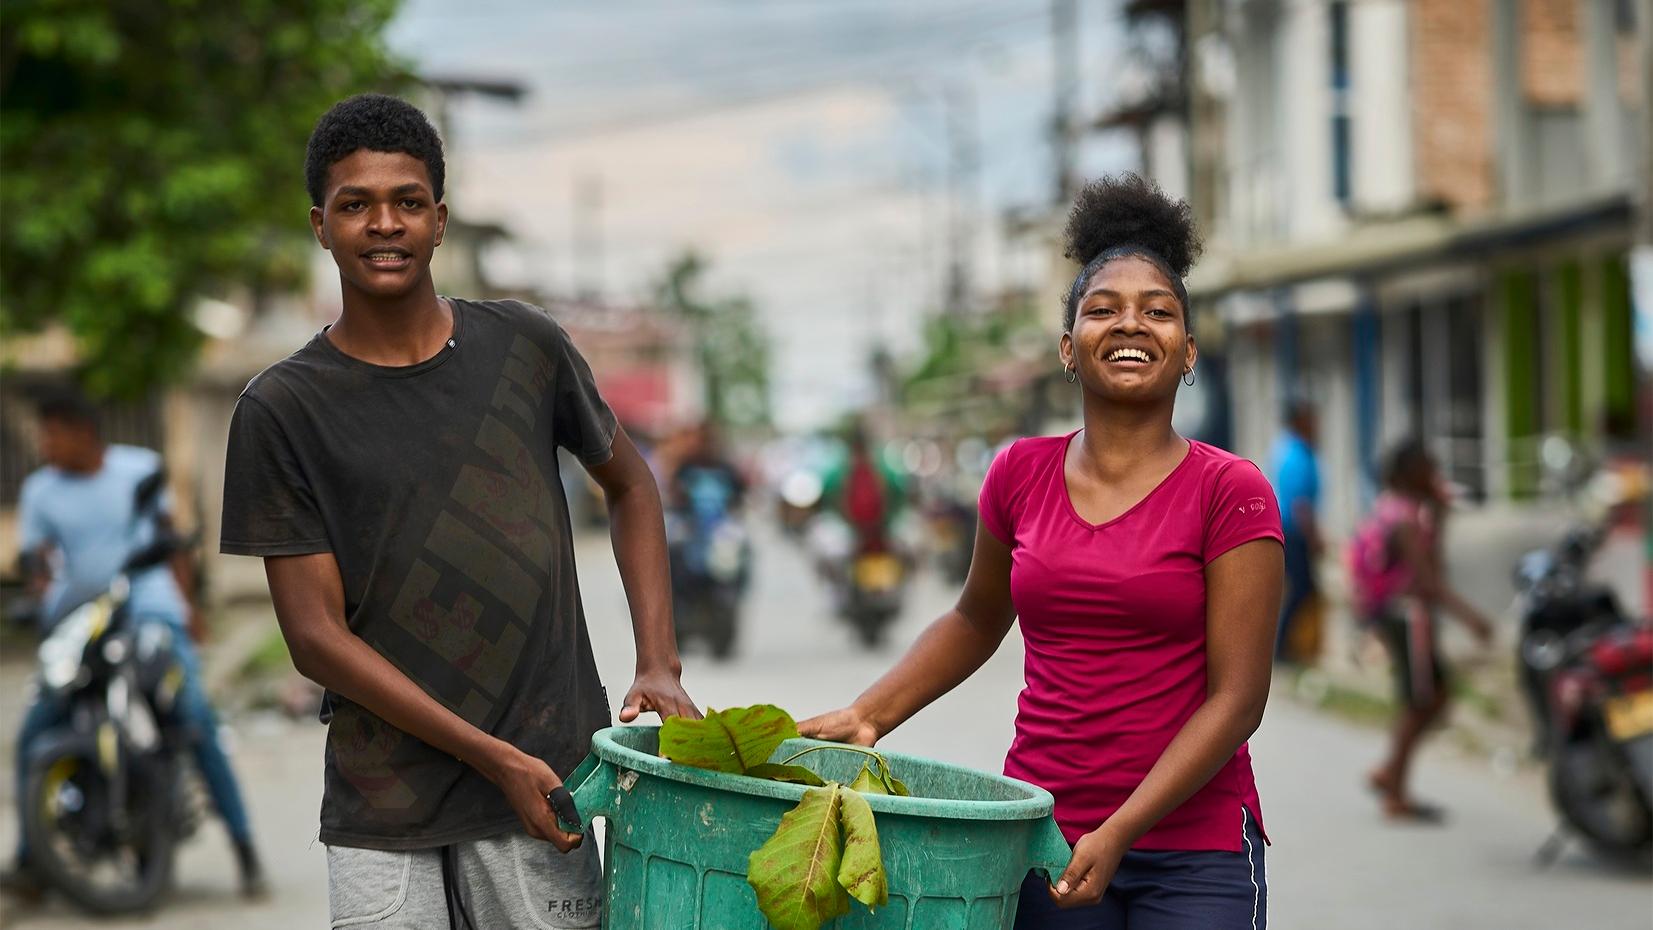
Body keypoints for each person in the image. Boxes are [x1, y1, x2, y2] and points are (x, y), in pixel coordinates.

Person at [219, 94, 698, 928]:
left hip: (544, 778)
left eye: (406, 202)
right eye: (355, 204)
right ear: (319, 226)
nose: (383, 224)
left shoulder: (526, 346)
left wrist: (658, 661)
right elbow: (314, 638)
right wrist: (487, 755)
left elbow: (630, 483)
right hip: (384, 804)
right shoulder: (282, 408)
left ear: (439, 221)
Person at [802, 174, 1284, 929]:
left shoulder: (1231, 490)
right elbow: (974, 617)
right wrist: (871, 713)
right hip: (1043, 836)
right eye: (1102, 310)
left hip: (1198, 851)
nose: (1130, 325)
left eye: (1157, 312)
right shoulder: (1017, 473)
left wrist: (1122, 829)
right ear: (1068, 347)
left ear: (1187, 351)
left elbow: (1238, 699)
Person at [4, 391, 265, 899]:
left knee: (192, 714)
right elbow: (36, 560)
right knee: (36, 729)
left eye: (52, 433)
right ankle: (30, 857)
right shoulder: (40, 491)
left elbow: (172, 543)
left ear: (83, 432)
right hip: (83, 622)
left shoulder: (138, 469)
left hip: (149, 612)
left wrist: (187, 609)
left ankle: (244, 847)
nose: (45, 444)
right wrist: (41, 595)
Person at [1347, 439, 1493, 821]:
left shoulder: (1401, 510)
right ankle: (1393, 786)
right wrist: (1472, 619)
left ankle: (1391, 773)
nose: (1435, 475)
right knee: (1423, 700)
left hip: (1403, 615)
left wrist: (1441, 516)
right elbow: (1429, 580)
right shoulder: (1405, 519)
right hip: (1406, 617)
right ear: (1410, 473)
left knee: (1431, 696)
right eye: (1428, 468)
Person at [1268, 398, 1322, 662]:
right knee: (1301, 588)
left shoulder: (1291, 448)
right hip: (1294, 532)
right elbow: (1300, 504)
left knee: (1303, 587)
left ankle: (1299, 647)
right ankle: (1284, 648)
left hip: (1290, 530)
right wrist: (1313, 537)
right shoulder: (1296, 453)